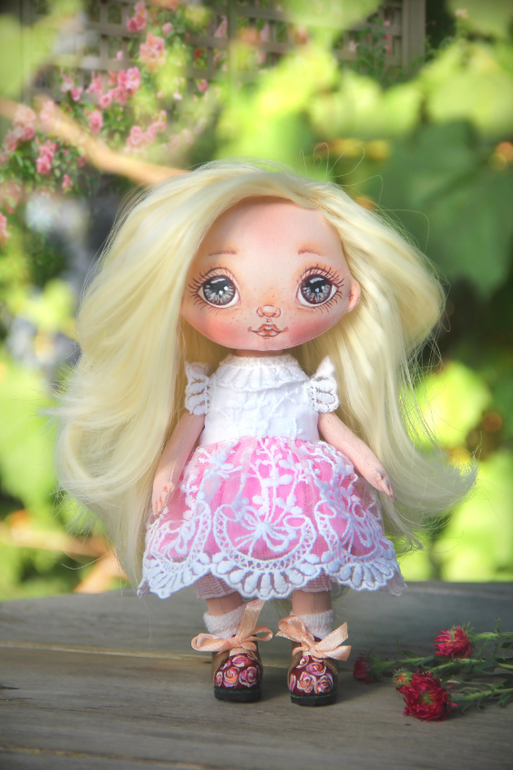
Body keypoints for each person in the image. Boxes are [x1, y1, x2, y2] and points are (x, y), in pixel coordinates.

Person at [56, 159, 473, 706]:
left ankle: (313, 645)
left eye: (314, 285)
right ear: (178, 298)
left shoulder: (311, 384)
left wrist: (368, 461)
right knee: (212, 556)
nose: (269, 310)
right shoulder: (206, 384)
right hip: (221, 486)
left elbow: (329, 425)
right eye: (220, 286)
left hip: (302, 486)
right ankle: (233, 642)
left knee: (312, 557)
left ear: (350, 296)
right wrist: (166, 472)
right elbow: (188, 429)